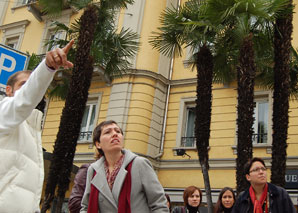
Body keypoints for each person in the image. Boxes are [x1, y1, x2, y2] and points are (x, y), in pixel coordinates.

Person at [0, 40, 74, 212]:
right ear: (9, 90)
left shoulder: (32, 129)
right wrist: (47, 68)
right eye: (24, 85)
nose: (31, 89)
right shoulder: (4, 110)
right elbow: (22, 101)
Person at [80, 120, 169, 213]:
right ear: (98, 144)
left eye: (118, 131)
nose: (115, 134)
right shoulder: (93, 170)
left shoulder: (139, 164)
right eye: (107, 132)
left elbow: (159, 204)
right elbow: (85, 207)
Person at [232, 157, 296, 213]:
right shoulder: (242, 198)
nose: (261, 172)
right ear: (248, 177)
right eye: (256, 170)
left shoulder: (280, 194)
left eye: (263, 169)